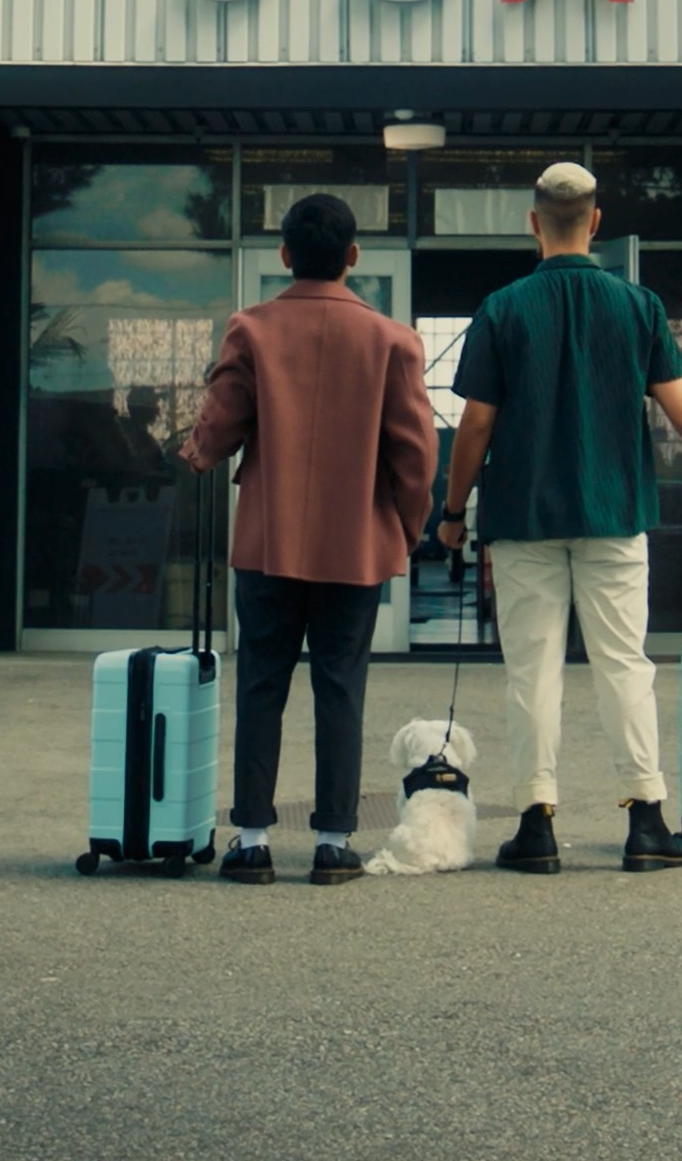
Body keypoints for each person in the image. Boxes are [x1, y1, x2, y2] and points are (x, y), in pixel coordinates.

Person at [437, 161, 682, 875]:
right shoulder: (638, 306)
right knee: (624, 666)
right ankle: (646, 821)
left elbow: (475, 424)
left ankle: (536, 826)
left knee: (532, 672)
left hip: (523, 519)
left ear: (533, 223)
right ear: (596, 222)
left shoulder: (502, 308)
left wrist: (451, 513)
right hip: (613, 512)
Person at [180, 191, 436, 886]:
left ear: (285, 254)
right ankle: (331, 842)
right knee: (341, 687)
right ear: (353, 256)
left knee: (261, 684)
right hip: (355, 546)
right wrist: (405, 528)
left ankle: (253, 840)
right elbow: (416, 454)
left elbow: (221, 423)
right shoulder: (392, 340)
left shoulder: (251, 329)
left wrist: (197, 453)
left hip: (267, 543)